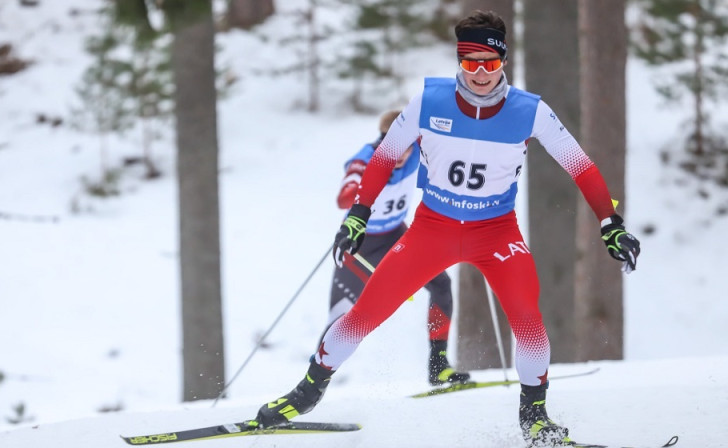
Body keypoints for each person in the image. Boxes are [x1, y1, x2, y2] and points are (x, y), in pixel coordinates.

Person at [255, 10, 641, 447]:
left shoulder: (530, 111)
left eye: (489, 63)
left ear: (503, 62)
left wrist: (611, 225)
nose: (479, 73)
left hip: (496, 233)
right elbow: (384, 158)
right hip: (432, 229)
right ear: (459, 61)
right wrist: (358, 214)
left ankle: (534, 415)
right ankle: (305, 393)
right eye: (470, 62)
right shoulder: (429, 100)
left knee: (529, 320)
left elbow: (581, 167)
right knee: (364, 314)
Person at [328, 109, 468, 387]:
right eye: (393, 144)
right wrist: (368, 185)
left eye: (406, 145)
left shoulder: (417, 150)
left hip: (396, 234)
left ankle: (438, 365)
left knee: (441, 285)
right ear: (382, 140)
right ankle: (311, 388)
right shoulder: (365, 160)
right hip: (361, 245)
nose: (401, 154)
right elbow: (344, 199)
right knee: (339, 321)